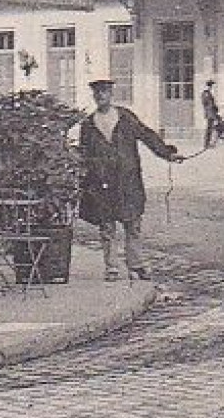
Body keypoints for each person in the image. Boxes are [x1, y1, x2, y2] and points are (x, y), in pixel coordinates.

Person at [70, 78, 183, 281]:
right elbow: (84, 154)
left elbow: (147, 136)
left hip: (127, 179)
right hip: (102, 182)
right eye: (97, 93)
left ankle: (136, 265)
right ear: (94, 96)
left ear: (111, 94)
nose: (100, 96)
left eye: (104, 92)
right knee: (107, 227)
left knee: (132, 223)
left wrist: (167, 153)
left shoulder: (125, 117)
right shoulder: (88, 124)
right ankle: (111, 268)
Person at [199, 79, 221, 149]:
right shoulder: (206, 93)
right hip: (210, 113)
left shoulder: (207, 93)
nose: (211, 87)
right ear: (209, 86)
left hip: (211, 113)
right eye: (211, 86)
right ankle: (206, 144)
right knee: (209, 129)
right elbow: (209, 105)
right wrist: (214, 114)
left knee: (211, 128)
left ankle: (209, 143)